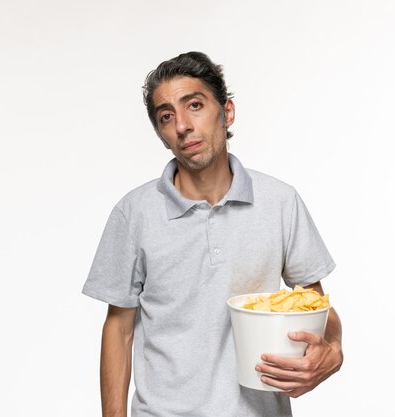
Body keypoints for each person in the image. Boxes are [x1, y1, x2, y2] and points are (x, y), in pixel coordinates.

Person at [82, 51, 343, 417]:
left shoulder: (280, 201)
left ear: (227, 112)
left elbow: (317, 305)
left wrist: (332, 350)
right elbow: (119, 329)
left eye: (195, 105)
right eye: (166, 116)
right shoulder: (134, 213)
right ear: (161, 134)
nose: (182, 125)